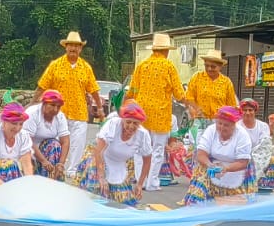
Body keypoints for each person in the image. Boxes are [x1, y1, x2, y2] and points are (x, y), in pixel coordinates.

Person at [35, 30, 102, 169]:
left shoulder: (86, 68)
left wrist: (100, 107)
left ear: (80, 48)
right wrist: (33, 102)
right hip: (58, 113)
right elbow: (42, 85)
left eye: (76, 46)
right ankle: (56, 170)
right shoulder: (55, 65)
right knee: (57, 144)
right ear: (65, 47)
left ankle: (72, 172)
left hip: (79, 113)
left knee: (77, 145)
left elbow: (94, 89)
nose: (73, 48)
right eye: (70, 45)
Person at [124, 34, 185, 186]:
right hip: (161, 115)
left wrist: (125, 104)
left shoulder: (142, 65)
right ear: (166, 51)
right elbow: (179, 94)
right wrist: (190, 103)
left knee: (140, 148)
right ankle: (151, 182)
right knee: (157, 149)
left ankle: (141, 180)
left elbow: (132, 91)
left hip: (141, 114)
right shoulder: (169, 66)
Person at [71, 100, 154, 204]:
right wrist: (101, 177)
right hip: (98, 157)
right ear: (123, 120)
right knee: (98, 190)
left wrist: (140, 184)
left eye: (135, 123)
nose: (131, 126)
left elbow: (147, 160)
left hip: (118, 163)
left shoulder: (143, 134)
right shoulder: (113, 124)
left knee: (123, 201)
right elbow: (98, 151)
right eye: (128, 122)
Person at [182, 105, 256, 204]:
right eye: (219, 123)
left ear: (233, 125)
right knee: (199, 193)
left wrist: (226, 169)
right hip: (212, 164)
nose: (221, 127)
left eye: (226, 125)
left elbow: (243, 162)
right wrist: (210, 165)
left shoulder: (242, 135)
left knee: (235, 204)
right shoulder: (211, 130)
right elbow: (201, 153)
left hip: (235, 167)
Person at [239, 99, 274, 194]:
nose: (248, 113)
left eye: (250, 110)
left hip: (259, 155)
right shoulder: (236, 126)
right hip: (242, 156)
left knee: (272, 160)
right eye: (245, 110)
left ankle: (271, 187)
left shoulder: (263, 126)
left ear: (255, 111)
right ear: (241, 111)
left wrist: (255, 157)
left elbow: (265, 145)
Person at [23, 89, 72, 179]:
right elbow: (28, 140)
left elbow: (65, 141)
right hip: (27, 149)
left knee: (54, 145)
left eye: (58, 106)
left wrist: (61, 163)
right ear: (44, 103)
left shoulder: (60, 116)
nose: (55, 109)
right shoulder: (32, 113)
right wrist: (43, 161)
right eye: (52, 105)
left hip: (47, 150)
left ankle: (52, 179)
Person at [186, 49, 239, 127]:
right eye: (206, 65)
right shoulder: (197, 77)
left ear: (220, 66)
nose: (209, 69)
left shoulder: (226, 82)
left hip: (219, 121)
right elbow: (189, 97)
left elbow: (231, 105)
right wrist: (196, 109)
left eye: (213, 66)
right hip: (199, 120)